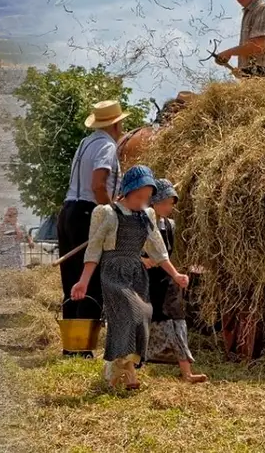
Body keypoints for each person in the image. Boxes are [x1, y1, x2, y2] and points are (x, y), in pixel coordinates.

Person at [70, 165, 190, 390]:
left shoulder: (147, 215)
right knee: (131, 312)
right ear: (127, 191)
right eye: (138, 196)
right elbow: (94, 250)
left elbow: (158, 249)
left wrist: (175, 274)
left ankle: (120, 370)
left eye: (147, 197)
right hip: (114, 271)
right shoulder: (107, 213)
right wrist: (84, 281)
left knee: (143, 315)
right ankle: (123, 368)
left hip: (137, 272)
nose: (142, 202)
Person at [56, 100, 127, 358]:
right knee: (90, 278)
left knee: (71, 280)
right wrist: (109, 212)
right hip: (88, 213)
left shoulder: (86, 142)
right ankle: (83, 348)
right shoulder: (108, 146)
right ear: (117, 124)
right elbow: (98, 184)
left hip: (68, 210)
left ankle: (72, 346)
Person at [142, 179, 207, 383]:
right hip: (145, 281)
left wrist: (178, 274)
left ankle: (187, 373)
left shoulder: (170, 226)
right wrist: (142, 260)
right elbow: (125, 250)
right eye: (167, 202)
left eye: (172, 203)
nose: (170, 207)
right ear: (155, 202)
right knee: (147, 324)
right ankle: (138, 366)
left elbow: (168, 256)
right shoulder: (141, 224)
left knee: (178, 321)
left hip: (167, 279)